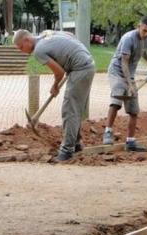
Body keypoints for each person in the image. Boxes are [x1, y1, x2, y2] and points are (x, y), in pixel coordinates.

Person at [13, 29, 95, 161]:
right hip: (85, 64)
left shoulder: (39, 51)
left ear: (27, 40)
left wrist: (55, 85)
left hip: (81, 68)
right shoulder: (46, 34)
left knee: (69, 109)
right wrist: (70, 57)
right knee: (75, 108)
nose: (21, 51)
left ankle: (67, 150)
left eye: (21, 47)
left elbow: (59, 72)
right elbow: (70, 35)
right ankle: (76, 144)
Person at [103, 16, 147, 151]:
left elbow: (144, 53)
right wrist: (129, 84)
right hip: (117, 72)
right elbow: (124, 63)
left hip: (130, 75)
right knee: (117, 99)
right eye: (145, 31)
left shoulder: (144, 39)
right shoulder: (128, 38)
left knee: (134, 110)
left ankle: (130, 142)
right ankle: (108, 131)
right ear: (138, 26)